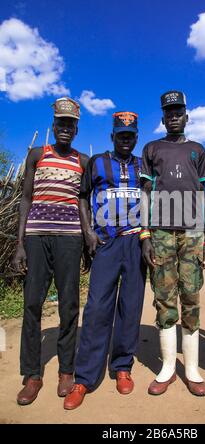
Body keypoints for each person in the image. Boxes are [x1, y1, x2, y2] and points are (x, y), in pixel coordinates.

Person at [64, 111, 147, 410]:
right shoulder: (97, 162)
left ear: (136, 137)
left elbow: (150, 199)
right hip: (106, 242)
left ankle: (122, 366)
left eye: (131, 135)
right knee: (98, 306)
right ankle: (84, 377)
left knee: (131, 304)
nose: (126, 139)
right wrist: (87, 231)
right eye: (121, 135)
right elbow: (83, 197)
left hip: (136, 241)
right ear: (112, 136)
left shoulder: (142, 164)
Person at [12, 97, 90, 405]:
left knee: (69, 305)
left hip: (69, 239)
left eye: (71, 124)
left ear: (77, 128)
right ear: (53, 124)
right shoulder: (36, 154)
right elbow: (25, 200)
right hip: (36, 237)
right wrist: (19, 244)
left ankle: (66, 371)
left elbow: (83, 202)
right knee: (32, 304)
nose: (65, 129)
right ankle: (32, 374)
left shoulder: (82, 160)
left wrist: (86, 240)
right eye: (61, 123)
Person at [140, 91, 205, 396]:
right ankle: (168, 366)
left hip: (194, 234)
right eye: (168, 112)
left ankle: (192, 369)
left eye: (178, 111)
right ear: (163, 117)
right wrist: (145, 234)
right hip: (161, 233)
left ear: (186, 116)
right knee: (165, 298)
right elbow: (145, 192)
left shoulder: (198, 150)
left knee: (191, 297)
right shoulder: (152, 148)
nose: (173, 116)